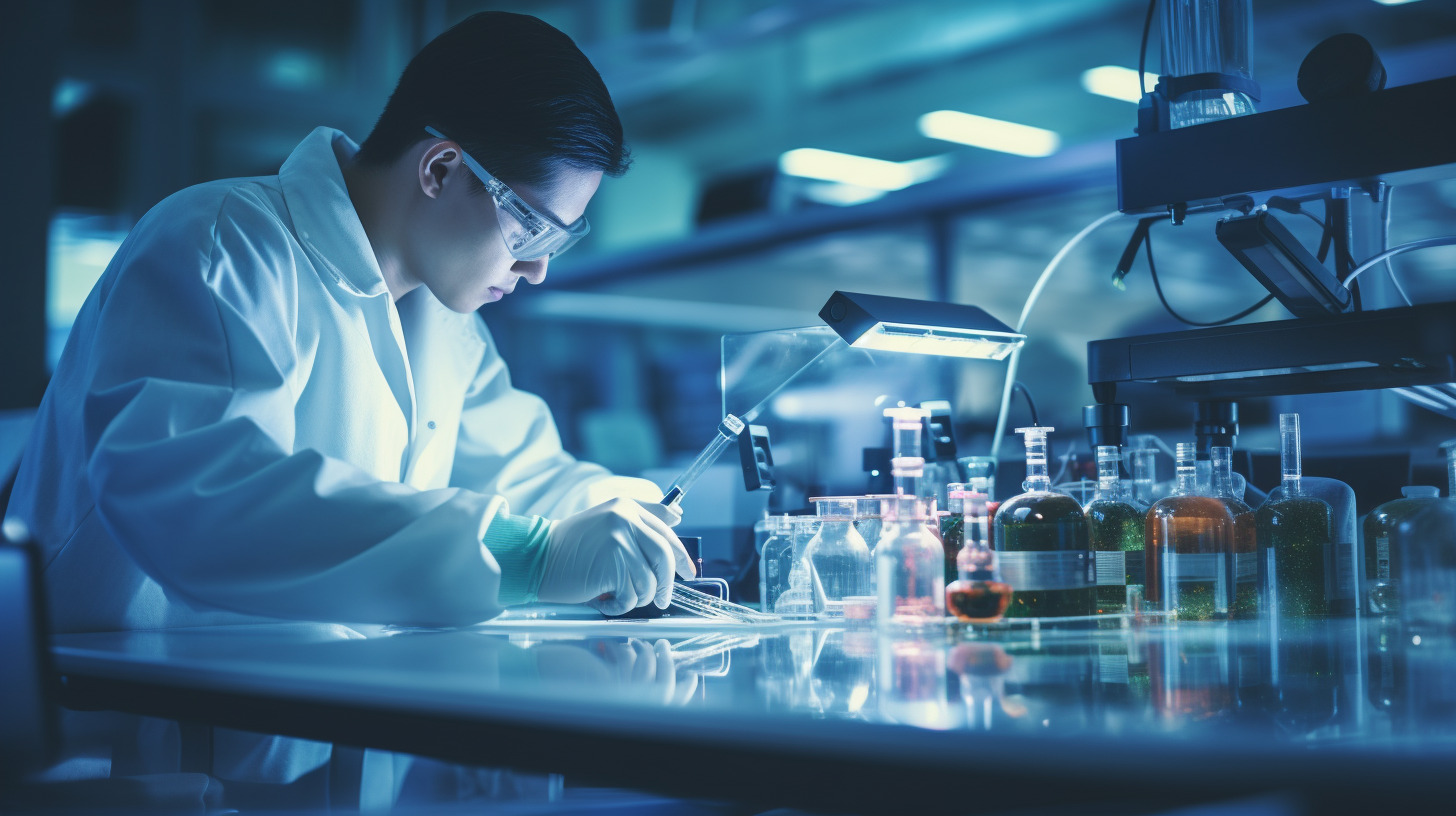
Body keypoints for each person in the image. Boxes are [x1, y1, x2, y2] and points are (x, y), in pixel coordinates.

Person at [4, 12, 695, 633]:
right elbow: (208, 503)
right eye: (533, 230)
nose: (538, 270)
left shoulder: (445, 325)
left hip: (317, 726)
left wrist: (610, 504)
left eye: (557, 242)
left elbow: (521, 474)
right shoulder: (221, 245)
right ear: (442, 168)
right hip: (129, 735)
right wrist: (534, 555)